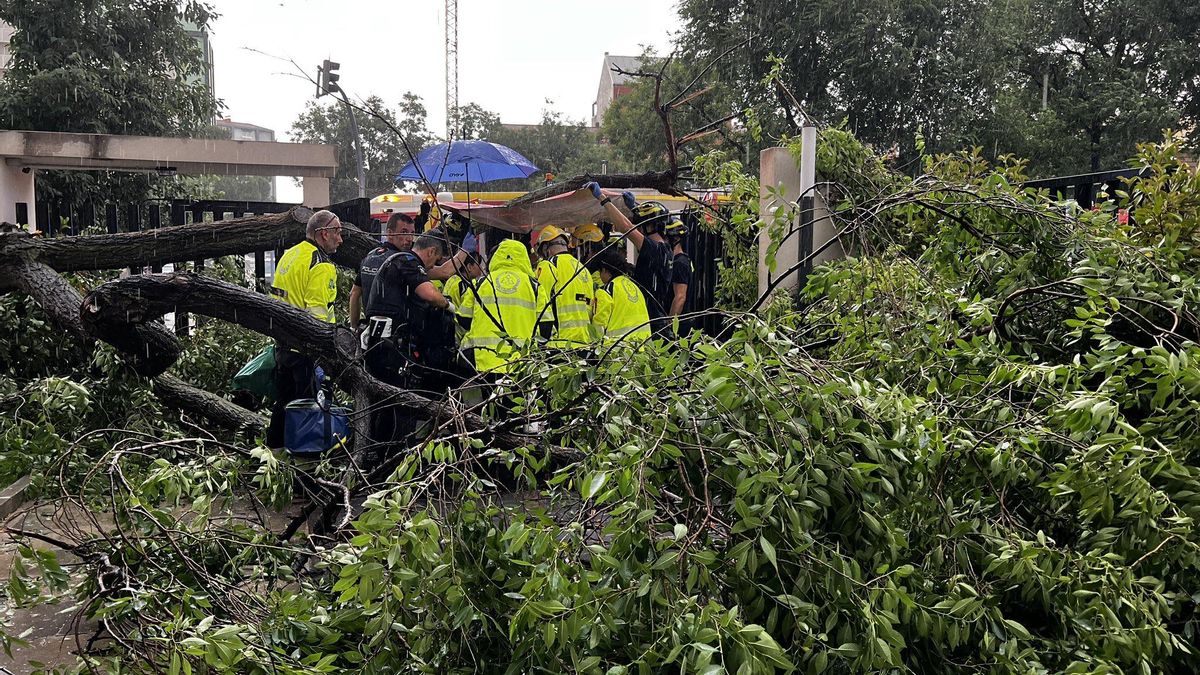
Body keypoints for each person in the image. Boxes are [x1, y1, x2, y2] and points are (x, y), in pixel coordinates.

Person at [267, 209, 343, 449]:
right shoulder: (321, 265)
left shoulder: (290, 255)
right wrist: (329, 350)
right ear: (323, 234)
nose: (340, 239)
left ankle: (275, 452)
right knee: (308, 410)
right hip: (306, 350)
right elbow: (318, 313)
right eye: (337, 233)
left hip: (283, 344)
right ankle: (304, 464)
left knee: (284, 402)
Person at [349, 212, 474, 331]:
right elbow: (443, 273)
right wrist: (465, 251)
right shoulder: (403, 260)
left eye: (412, 233)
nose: (409, 238)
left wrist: (354, 327)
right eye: (403, 232)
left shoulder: (370, 256)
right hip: (395, 333)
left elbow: (354, 294)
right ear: (390, 233)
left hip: (372, 332)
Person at [586, 183, 675, 335]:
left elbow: (626, 227)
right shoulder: (666, 249)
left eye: (640, 223)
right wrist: (634, 208)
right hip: (657, 318)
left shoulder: (654, 249)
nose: (638, 227)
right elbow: (636, 224)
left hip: (651, 321)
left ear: (649, 226)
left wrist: (603, 198)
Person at [465, 239, 550, 375]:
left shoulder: (480, 283)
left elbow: (463, 319)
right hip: (523, 362)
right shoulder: (535, 286)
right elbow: (546, 325)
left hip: (485, 360)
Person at [532, 224, 595, 349]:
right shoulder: (583, 269)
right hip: (584, 341)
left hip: (559, 343)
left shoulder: (548, 266)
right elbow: (590, 306)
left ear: (546, 248)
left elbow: (540, 303)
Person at [592, 244, 652, 346]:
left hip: (618, 349)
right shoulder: (634, 287)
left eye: (600, 272)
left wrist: (594, 344)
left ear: (605, 270)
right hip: (643, 346)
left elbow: (600, 322)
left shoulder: (606, 290)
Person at [664, 218, 694, 336]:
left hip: (680, 325)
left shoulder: (679, 263)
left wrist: (669, 324)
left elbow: (680, 297)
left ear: (675, 239)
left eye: (666, 238)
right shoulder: (684, 260)